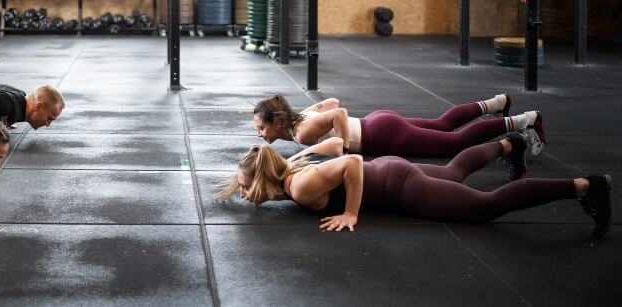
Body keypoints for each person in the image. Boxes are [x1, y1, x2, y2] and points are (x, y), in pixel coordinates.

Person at [216, 134, 613, 238]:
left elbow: (351, 160)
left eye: (247, 186)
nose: (245, 193)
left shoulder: (300, 188)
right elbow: (337, 146)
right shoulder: (290, 166)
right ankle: (512, 145)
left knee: (487, 207)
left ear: (267, 178)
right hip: (390, 169)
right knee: (455, 172)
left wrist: (351, 211)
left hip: (398, 186)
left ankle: (585, 187)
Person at [252, 93, 546, 158]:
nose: (259, 133)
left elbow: (338, 112)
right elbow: (329, 101)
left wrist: (341, 149)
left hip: (382, 134)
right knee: (442, 124)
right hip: (378, 121)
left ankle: (525, 120)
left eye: (261, 128)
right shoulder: (298, 121)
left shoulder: (301, 130)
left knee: (454, 144)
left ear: (277, 123)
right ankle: (497, 103)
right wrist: (317, 113)